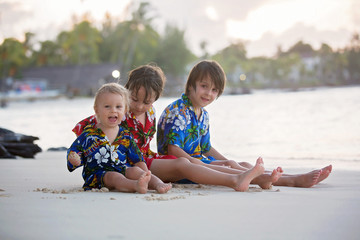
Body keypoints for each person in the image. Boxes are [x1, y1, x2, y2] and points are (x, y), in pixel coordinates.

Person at [73, 64, 282, 191]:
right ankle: (235, 180)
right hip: (129, 163)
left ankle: (259, 178)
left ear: (155, 99)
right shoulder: (119, 111)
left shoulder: (152, 112)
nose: (139, 106)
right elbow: (95, 124)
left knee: (201, 162)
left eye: (147, 102)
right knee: (183, 163)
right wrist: (80, 147)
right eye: (134, 99)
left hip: (146, 158)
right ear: (126, 90)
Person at [157, 60, 332, 188]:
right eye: (204, 86)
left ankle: (282, 176)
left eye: (214, 90)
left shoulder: (203, 115)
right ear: (190, 86)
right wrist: (205, 164)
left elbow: (206, 147)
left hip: (198, 161)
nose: (209, 94)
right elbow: (173, 150)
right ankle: (291, 181)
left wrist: (229, 162)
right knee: (232, 167)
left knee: (242, 165)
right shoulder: (178, 111)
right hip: (183, 167)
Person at [67, 83, 172, 194]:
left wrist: (145, 174)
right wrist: (74, 159)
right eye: (107, 106)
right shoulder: (89, 133)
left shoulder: (125, 135)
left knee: (134, 170)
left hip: (121, 168)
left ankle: (157, 184)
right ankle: (135, 185)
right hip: (97, 175)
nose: (113, 110)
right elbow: (75, 151)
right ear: (97, 110)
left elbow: (137, 159)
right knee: (114, 176)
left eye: (118, 107)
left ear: (125, 110)